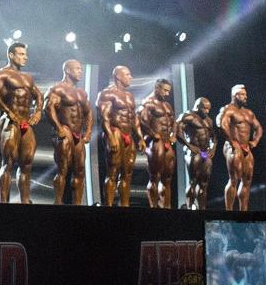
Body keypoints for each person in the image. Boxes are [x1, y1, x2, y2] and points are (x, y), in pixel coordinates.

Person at [0, 42, 43, 203]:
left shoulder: (27, 78)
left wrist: (38, 111)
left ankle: (25, 201)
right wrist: (8, 111)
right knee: (8, 162)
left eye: (25, 54)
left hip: (26, 122)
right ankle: (3, 202)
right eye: (21, 54)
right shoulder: (2, 74)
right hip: (9, 122)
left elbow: (39, 96)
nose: (25, 57)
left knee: (27, 163)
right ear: (11, 55)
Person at [44, 59, 93, 205]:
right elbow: (48, 108)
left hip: (78, 134)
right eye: (77, 68)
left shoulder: (81, 93)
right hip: (65, 131)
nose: (80, 71)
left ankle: (77, 204)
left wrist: (89, 131)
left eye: (81, 68)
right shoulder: (58, 89)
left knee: (80, 170)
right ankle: (58, 203)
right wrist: (59, 128)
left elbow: (88, 112)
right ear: (67, 71)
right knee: (63, 169)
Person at [96, 65, 144, 207]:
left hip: (128, 134)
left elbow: (134, 118)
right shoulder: (107, 94)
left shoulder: (129, 96)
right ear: (118, 76)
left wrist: (140, 137)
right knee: (112, 172)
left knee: (127, 173)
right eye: (128, 74)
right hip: (115, 132)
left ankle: (125, 205)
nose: (131, 77)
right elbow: (103, 117)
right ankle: (109, 206)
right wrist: (110, 136)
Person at [216, 84, 263, 211]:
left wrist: (255, 141)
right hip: (232, 146)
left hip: (246, 147)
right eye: (243, 95)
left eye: (246, 94)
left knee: (247, 179)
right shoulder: (228, 109)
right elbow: (221, 124)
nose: (246, 97)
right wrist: (232, 141)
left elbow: (258, 128)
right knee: (234, 178)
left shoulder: (248, 113)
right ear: (235, 96)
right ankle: (229, 211)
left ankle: (244, 211)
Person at [137, 78, 177, 208]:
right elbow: (142, 121)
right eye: (165, 90)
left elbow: (174, 121)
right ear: (157, 88)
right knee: (155, 177)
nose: (167, 94)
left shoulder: (167, 105)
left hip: (167, 141)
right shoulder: (148, 103)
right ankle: (154, 207)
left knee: (168, 178)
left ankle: (167, 207)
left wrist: (173, 135)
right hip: (155, 142)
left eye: (168, 91)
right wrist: (152, 133)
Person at [177, 96, 216, 210]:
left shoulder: (208, 120)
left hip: (204, 152)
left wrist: (213, 148)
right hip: (193, 152)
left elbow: (214, 137)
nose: (207, 111)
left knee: (204, 183)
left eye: (209, 109)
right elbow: (178, 131)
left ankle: (202, 210)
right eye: (205, 109)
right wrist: (188, 145)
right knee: (193, 181)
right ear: (198, 106)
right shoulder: (187, 116)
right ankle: (189, 207)